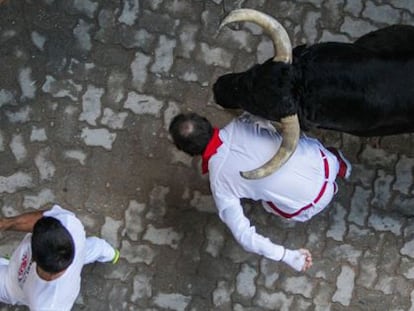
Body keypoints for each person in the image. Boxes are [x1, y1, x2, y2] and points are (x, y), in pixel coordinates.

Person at [169, 112, 352, 272]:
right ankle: (341, 165)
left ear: (187, 151)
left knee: (267, 204)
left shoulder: (219, 184)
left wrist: (288, 256)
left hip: (313, 203)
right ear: (205, 121)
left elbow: (244, 236)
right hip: (325, 161)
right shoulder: (243, 120)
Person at [0, 204, 120, 310]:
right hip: (77, 253)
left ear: (34, 260)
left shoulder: (47, 305)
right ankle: (110, 253)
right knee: (91, 249)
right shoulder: (69, 224)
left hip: (13, 283)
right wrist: (4, 224)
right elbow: (45, 217)